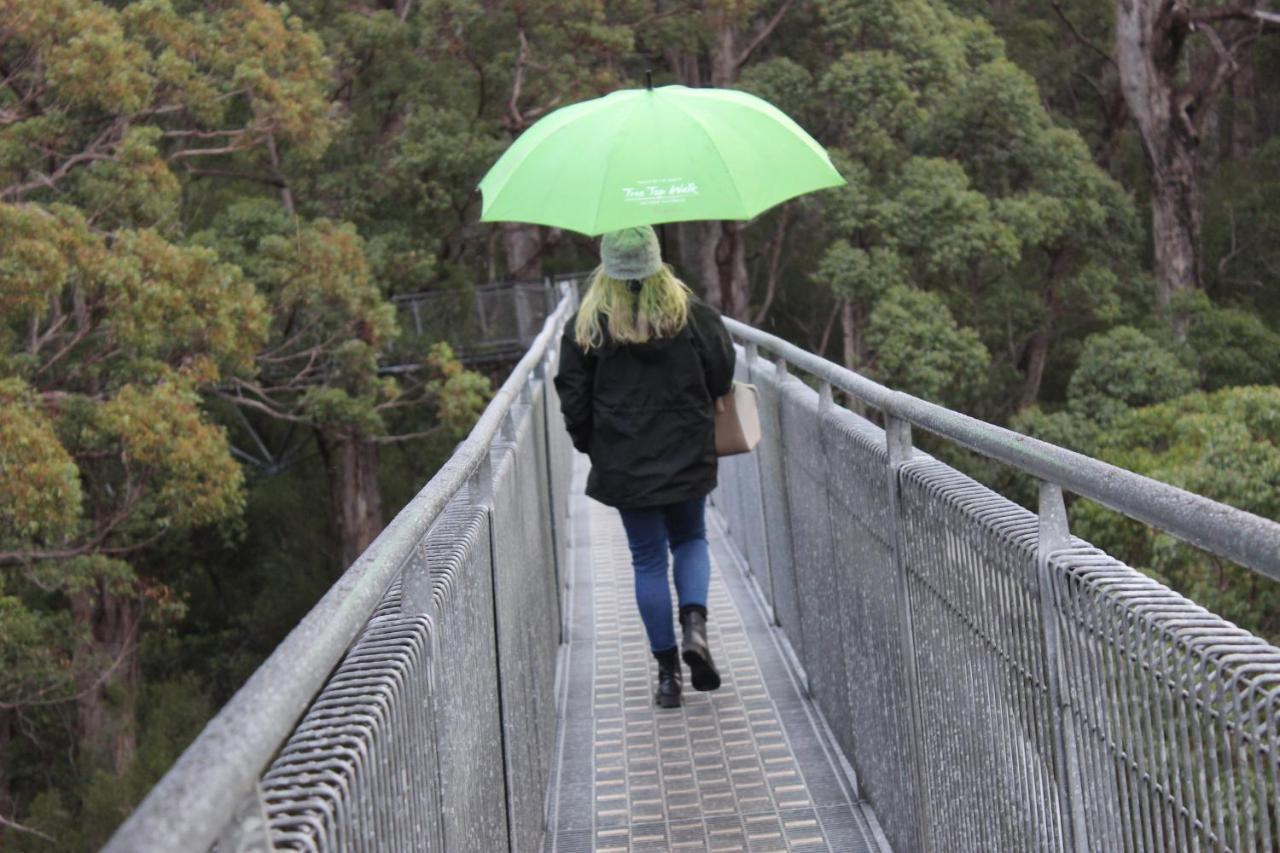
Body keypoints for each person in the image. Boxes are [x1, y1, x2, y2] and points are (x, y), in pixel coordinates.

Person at [555, 225, 735, 709]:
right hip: (688, 447)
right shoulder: (691, 314)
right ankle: (694, 625)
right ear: (657, 260)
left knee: (648, 559)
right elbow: (722, 371)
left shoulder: (586, 325)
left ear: (607, 268)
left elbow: (572, 396)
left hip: (624, 458)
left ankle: (668, 676)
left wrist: (592, 444)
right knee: (691, 538)